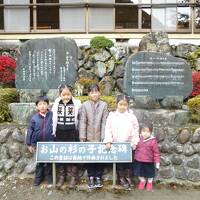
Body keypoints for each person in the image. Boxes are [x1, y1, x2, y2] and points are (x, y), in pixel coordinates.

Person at [104, 94, 139, 190]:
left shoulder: (132, 116)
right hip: (117, 144)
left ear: (127, 105)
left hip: (128, 144)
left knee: (129, 162)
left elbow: (136, 129)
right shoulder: (112, 116)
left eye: (125, 105)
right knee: (120, 163)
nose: (123, 107)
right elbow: (108, 129)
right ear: (117, 104)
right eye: (121, 104)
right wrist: (108, 141)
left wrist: (135, 141)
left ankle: (128, 177)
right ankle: (121, 178)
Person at [52, 84, 82, 189]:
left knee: (73, 154)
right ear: (60, 94)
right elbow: (53, 119)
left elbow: (80, 118)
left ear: (71, 94)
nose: (66, 97)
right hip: (59, 132)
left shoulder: (76, 103)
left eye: (68, 94)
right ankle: (62, 176)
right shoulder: (56, 104)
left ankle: (73, 177)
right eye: (63, 94)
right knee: (61, 154)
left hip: (72, 132)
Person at [79, 84, 108, 189]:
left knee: (99, 158)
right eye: (92, 92)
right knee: (90, 158)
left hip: (100, 136)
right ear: (89, 94)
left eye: (96, 92)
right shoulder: (85, 105)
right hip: (88, 137)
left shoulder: (104, 105)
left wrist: (104, 137)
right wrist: (82, 138)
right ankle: (91, 176)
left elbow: (105, 122)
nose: (94, 94)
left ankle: (98, 176)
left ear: (99, 93)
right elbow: (82, 122)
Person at [26, 96, 54, 186]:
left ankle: (49, 177)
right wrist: (29, 144)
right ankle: (38, 178)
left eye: (44, 104)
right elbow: (30, 130)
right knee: (40, 162)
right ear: (37, 107)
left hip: (50, 143)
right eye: (40, 104)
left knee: (49, 162)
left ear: (48, 105)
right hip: (39, 144)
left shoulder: (52, 115)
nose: (42, 106)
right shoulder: (34, 118)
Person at [133, 122, 160, 192]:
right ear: (140, 131)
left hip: (149, 161)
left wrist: (157, 162)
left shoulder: (153, 141)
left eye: (148, 132)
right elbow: (134, 145)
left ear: (151, 132)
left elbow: (156, 153)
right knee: (138, 173)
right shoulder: (138, 139)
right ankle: (142, 181)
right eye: (143, 131)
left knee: (150, 174)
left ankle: (149, 182)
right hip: (138, 160)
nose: (145, 133)